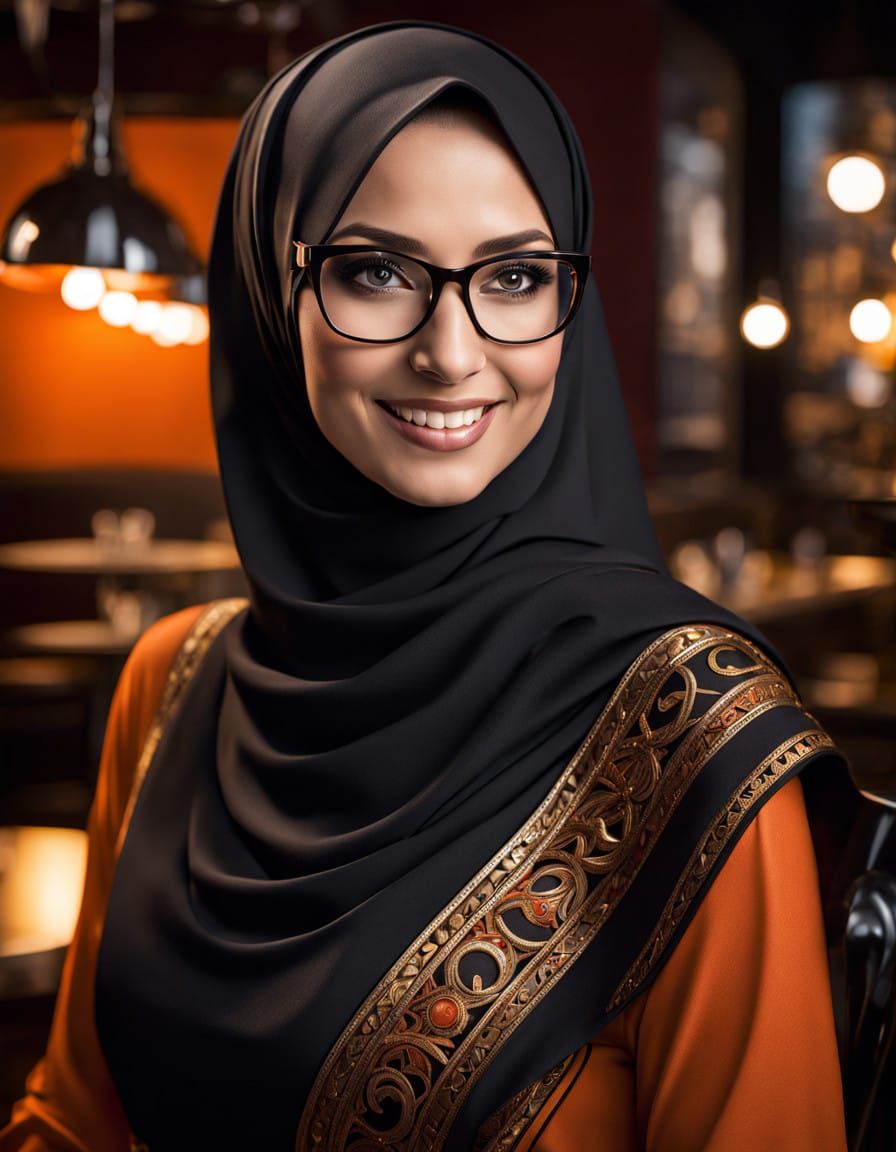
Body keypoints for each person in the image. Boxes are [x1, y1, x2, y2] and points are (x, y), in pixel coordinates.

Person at [0, 19, 848, 1152]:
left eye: (512, 277)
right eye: (375, 271)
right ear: (269, 290)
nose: (451, 352)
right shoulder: (175, 686)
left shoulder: (686, 727)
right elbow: (73, 1124)